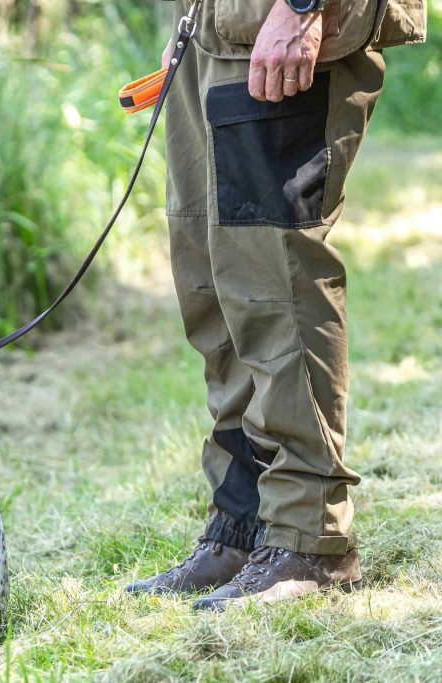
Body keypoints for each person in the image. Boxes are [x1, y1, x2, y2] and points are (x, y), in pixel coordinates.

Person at [125, 0, 427, 610]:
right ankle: (244, 523)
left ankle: (309, 538)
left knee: (274, 276)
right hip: (217, 31)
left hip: (285, 23)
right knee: (212, 277)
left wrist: (304, 7)